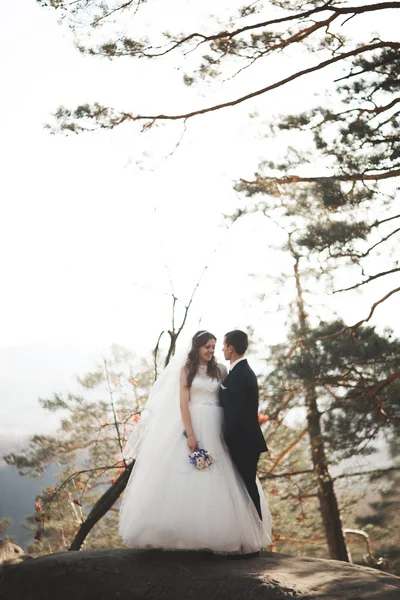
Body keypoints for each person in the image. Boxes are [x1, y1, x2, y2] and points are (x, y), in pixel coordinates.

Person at [118, 330, 272, 555]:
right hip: (195, 424)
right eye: (207, 347)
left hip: (217, 426)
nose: (211, 351)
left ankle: (228, 533)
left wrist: (227, 432)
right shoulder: (187, 370)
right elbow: (183, 405)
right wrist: (191, 434)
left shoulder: (221, 370)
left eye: (214, 346)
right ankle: (181, 534)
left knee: (224, 474)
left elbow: (230, 401)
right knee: (187, 473)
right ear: (197, 347)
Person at [220, 330, 268, 521]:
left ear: (231, 348)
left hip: (243, 443)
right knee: (243, 488)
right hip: (244, 441)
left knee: (247, 488)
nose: (222, 350)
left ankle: (257, 532)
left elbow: (237, 414)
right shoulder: (239, 372)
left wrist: (228, 440)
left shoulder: (240, 375)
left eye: (224, 346)